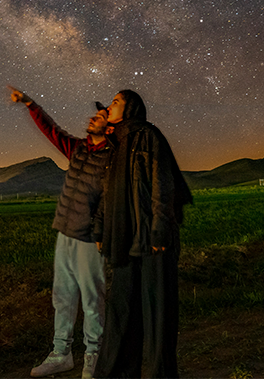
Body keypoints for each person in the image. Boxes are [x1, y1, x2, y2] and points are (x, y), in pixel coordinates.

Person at [9, 86, 111, 379]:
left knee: (92, 299)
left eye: (101, 116)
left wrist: (101, 231)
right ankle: (60, 354)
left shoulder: (112, 158)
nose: (93, 118)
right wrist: (30, 103)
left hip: (90, 237)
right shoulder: (78, 148)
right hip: (64, 232)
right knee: (62, 297)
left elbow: (109, 199)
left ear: (111, 125)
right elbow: (51, 130)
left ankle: (94, 356)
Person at [93, 90, 192, 378]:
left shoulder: (149, 136)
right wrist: (101, 227)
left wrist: (160, 229)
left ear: (131, 107)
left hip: (152, 238)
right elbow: (106, 192)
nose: (109, 106)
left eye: (115, 102)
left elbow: (163, 182)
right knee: (122, 312)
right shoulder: (115, 145)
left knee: (158, 314)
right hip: (125, 238)